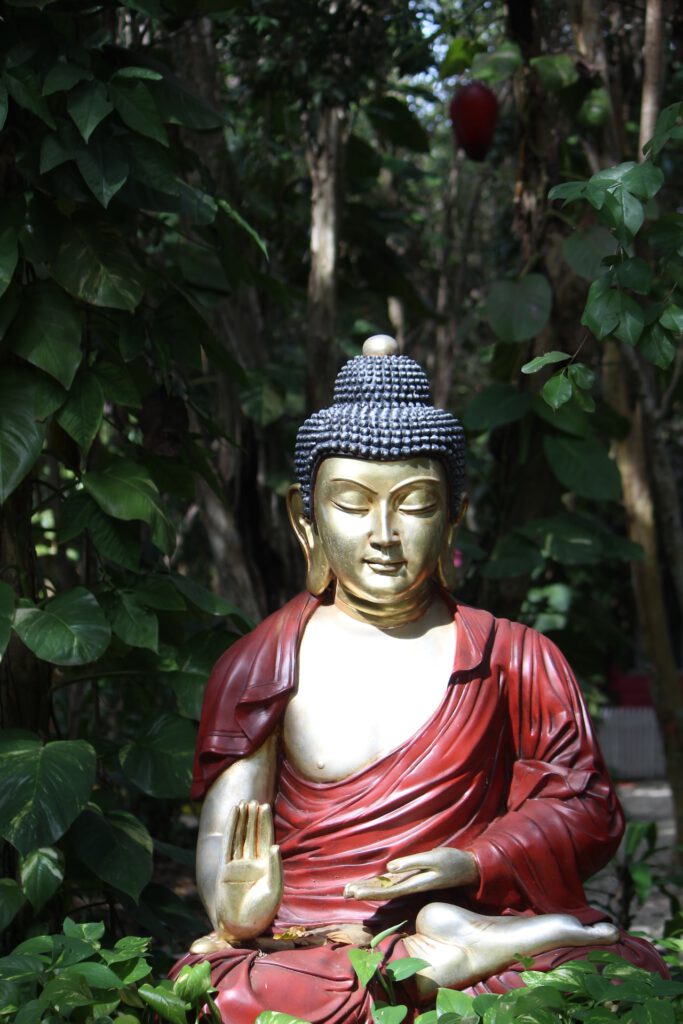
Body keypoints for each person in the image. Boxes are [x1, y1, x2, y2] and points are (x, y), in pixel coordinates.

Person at [173, 337, 667, 1023]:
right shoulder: (262, 663)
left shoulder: (513, 655)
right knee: (229, 991)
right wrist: (234, 908)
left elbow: (586, 810)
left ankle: (448, 947)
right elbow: (224, 839)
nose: (384, 534)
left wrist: (473, 861)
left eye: (413, 503)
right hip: (309, 940)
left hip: (469, 906)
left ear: (454, 514)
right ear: (304, 518)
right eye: (351, 504)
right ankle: (441, 962)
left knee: (610, 974)